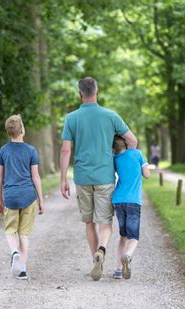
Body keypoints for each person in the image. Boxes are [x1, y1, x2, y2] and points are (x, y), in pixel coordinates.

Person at [60, 77, 138, 281]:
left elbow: (66, 149)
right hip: (105, 177)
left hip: (82, 177)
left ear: (80, 93)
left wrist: (63, 179)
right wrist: (126, 164)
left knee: (89, 223)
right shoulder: (110, 116)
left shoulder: (71, 118)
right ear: (97, 91)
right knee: (105, 223)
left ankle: (95, 260)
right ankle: (102, 250)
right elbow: (132, 140)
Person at [0, 114, 45, 280]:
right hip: (28, 196)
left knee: (10, 230)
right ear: (22, 130)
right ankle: (22, 269)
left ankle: (14, 251)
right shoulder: (31, 150)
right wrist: (41, 200)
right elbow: (36, 177)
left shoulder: (3, 151)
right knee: (24, 233)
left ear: (8, 132)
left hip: (10, 196)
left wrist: (0, 200)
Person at [111, 136, 150, 280]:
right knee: (133, 237)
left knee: (123, 236)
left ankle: (118, 271)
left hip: (119, 200)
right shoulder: (137, 154)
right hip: (133, 201)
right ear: (126, 144)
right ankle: (127, 256)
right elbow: (147, 175)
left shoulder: (115, 158)